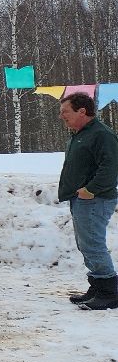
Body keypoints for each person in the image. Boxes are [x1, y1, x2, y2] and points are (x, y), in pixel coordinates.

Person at [59, 93, 118, 309]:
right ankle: (97, 286)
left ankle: (109, 292)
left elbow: (111, 168)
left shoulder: (101, 134)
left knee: (93, 244)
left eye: (65, 112)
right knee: (85, 244)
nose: (62, 117)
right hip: (82, 199)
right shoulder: (81, 134)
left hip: (95, 199)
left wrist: (91, 190)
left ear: (82, 111)